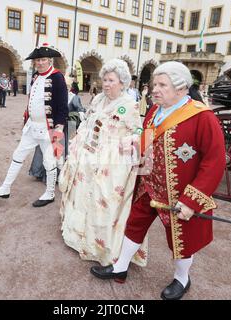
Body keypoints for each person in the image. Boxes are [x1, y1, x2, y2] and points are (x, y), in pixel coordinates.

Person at [90, 61, 226, 300]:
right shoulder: (154, 110)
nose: (155, 90)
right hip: (149, 185)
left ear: (181, 88)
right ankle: (121, 267)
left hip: (179, 194)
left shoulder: (203, 117)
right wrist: (132, 148)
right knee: (134, 224)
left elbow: (214, 162)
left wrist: (192, 201)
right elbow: (147, 140)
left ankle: (182, 279)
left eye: (162, 85)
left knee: (182, 239)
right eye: (155, 84)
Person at [59, 59, 148, 267]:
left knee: (102, 200)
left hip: (110, 163)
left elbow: (139, 132)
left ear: (122, 82)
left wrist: (123, 147)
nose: (106, 84)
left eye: (111, 80)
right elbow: (88, 122)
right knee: (82, 195)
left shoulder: (129, 105)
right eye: (105, 79)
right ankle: (78, 235)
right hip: (87, 157)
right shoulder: (98, 99)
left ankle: (99, 245)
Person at [0, 43, 68, 207]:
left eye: (43, 59)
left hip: (48, 128)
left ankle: (50, 193)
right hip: (32, 126)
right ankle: (5, 188)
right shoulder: (36, 76)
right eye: (38, 60)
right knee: (17, 155)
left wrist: (58, 128)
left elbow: (63, 106)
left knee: (50, 162)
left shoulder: (58, 77)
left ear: (49, 60)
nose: (40, 63)